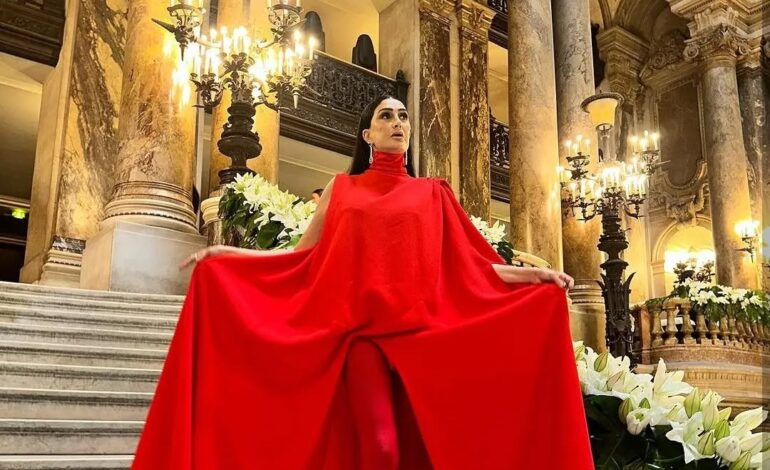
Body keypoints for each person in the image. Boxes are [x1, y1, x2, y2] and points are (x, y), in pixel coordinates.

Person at [131, 95, 594, 469]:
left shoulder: (433, 193)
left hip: (426, 338)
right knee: (383, 447)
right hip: (364, 339)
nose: (397, 122)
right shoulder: (342, 188)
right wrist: (225, 257)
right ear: (368, 134)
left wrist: (537, 276)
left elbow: (473, 267)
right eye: (385, 116)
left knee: (431, 447)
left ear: (409, 132)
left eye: (403, 116)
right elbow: (300, 255)